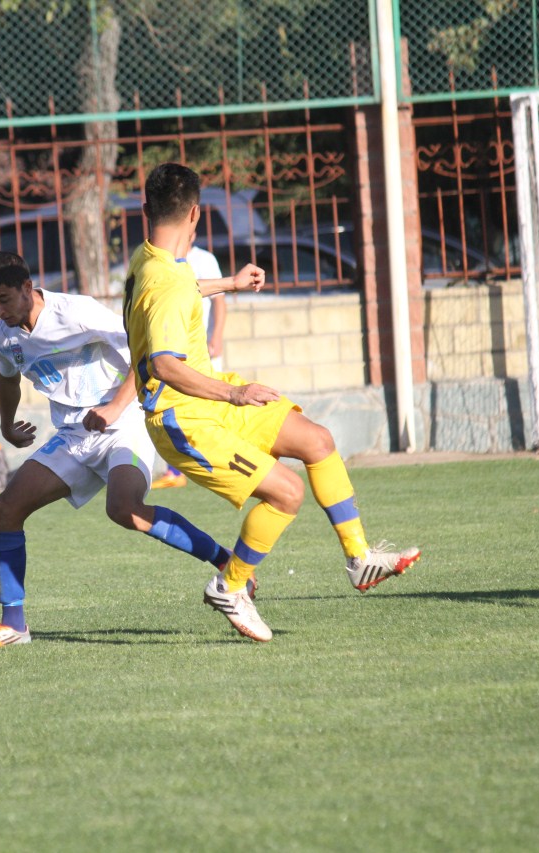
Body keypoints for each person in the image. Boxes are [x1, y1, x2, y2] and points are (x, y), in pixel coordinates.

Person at [123, 162, 421, 643]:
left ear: (145, 210)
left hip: (209, 399)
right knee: (286, 493)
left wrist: (229, 284)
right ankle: (229, 586)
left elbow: (179, 291)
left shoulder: (149, 258)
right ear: (196, 214)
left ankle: (360, 558)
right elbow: (164, 364)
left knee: (317, 441)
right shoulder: (166, 281)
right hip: (184, 418)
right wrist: (236, 393)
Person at [0, 251, 236, 649]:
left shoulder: (77, 312)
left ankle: (228, 563)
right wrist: (7, 425)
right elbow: (6, 378)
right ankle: (14, 626)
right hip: (74, 434)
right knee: (6, 509)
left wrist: (114, 407)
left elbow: (143, 352)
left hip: (126, 422)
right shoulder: (4, 338)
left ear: (27, 287)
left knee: (125, 509)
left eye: (3, 299)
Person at [150, 244, 226, 490]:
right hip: (172, 351)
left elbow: (219, 301)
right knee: (174, 405)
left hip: (201, 350)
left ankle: (219, 462)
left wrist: (216, 337)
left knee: (211, 407)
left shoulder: (204, 259)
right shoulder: (160, 259)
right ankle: (175, 470)